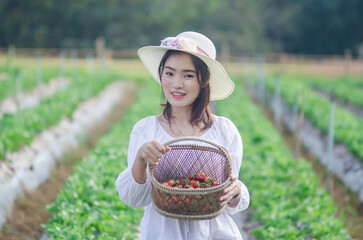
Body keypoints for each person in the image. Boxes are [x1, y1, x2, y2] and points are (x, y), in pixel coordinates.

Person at [115, 31, 249, 240]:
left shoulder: (224, 131)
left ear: (204, 80)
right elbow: (133, 197)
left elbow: (232, 199)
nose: (176, 84)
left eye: (188, 75)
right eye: (169, 73)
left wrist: (236, 191)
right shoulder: (146, 129)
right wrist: (142, 157)